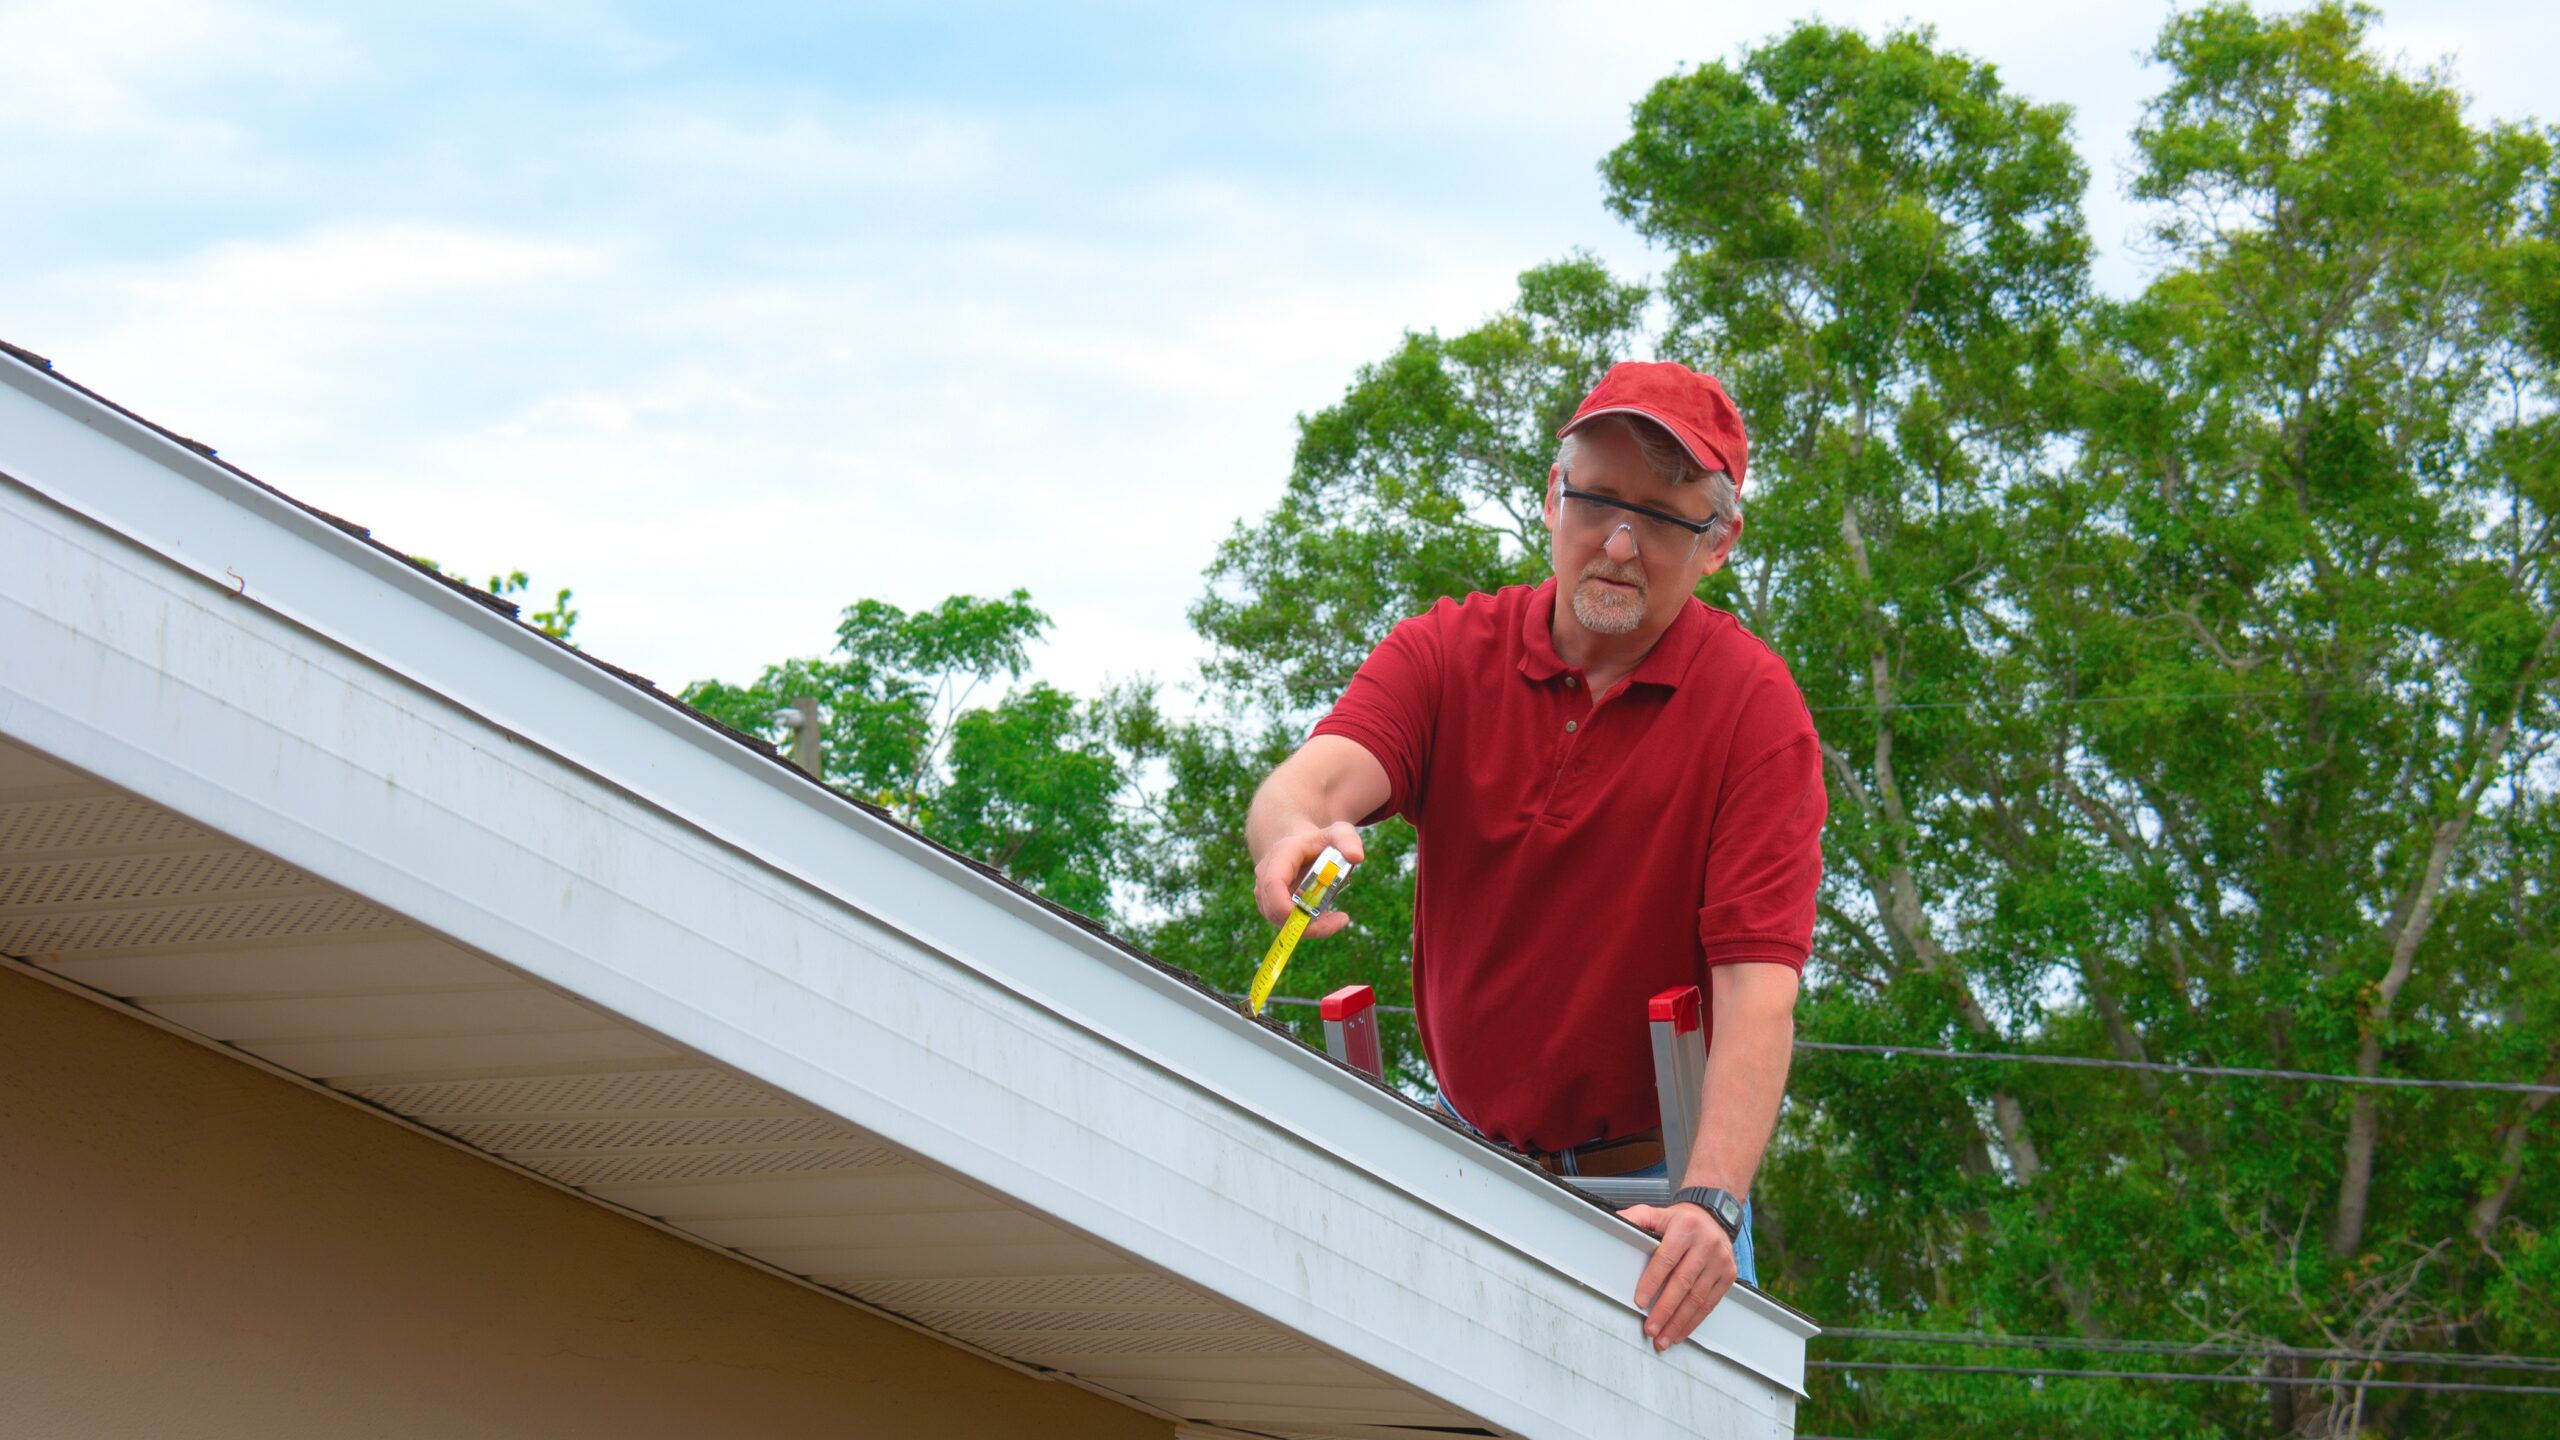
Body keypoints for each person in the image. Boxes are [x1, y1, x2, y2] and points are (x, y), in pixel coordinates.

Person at [1244, 360, 1824, 1353]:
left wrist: (1712, 1205)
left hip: (1655, 1202)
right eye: (1596, 499)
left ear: (1718, 541)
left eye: (1662, 517)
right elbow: (1313, 784)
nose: (1620, 544)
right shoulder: (1449, 651)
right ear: (1553, 495)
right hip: (1461, 1154)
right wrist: (1289, 836)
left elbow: (1756, 992)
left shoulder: (1753, 714)